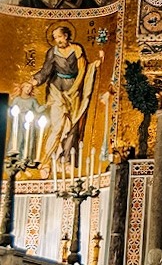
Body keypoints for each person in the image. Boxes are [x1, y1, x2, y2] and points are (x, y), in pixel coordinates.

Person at [22, 25, 102, 164]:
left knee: (72, 124)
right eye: (55, 38)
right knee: (57, 125)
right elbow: (46, 70)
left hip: (74, 89)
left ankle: (66, 159)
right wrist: (36, 80)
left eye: (59, 37)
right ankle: (47, 159)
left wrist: (75, 88)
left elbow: (82, 69)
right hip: (56, 89)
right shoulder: (52, 52)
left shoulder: (76, 49)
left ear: (66, 36)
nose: (57, 40)